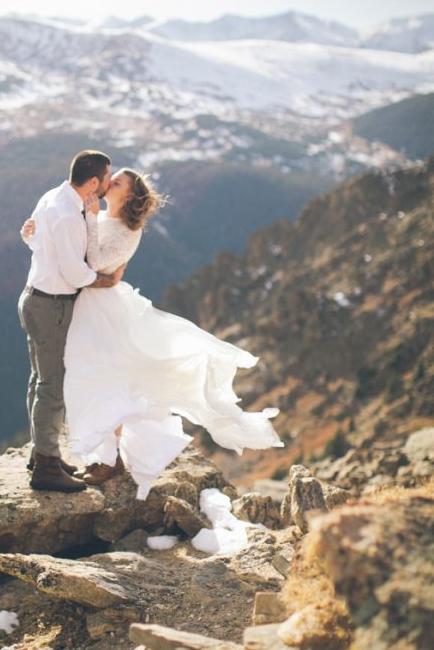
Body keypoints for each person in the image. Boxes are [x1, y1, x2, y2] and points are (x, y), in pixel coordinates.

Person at [28, 166, 284, 501]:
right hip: (86, 306)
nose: (108, 184)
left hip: (103, 311)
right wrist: (37, 234)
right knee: (89, 379)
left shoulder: (128, 230)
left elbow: (98, 262)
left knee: (109, 380)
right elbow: (69, 252)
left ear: (130, 195)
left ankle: (112, 457)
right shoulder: (97, 217)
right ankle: (94, 454)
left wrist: (90, 220)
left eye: (116, 182)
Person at [18, 150, 124, 493]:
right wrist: (106, 281)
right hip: (51, 306)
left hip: (36, 298)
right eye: (107, 178)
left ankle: (42, 453)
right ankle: (46, 468)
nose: (109, 183)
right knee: (52, 385)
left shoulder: (53, 197)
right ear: (93, 182)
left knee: (40, 379)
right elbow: (75, 272)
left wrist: (28, 235)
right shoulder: (67, 213)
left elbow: (35, 239)